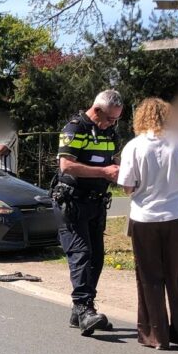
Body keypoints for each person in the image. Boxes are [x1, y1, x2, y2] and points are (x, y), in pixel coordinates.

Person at [117, 98, 178, 350]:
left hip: (145, 217)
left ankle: (155, 335)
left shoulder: (133, 146)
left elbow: (127, 186)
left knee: (149, 277)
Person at [52, 89, 123, 336]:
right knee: (81, 253)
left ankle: (82, 310)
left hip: (96, 203)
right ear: (97, 110)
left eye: (116, 119)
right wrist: (103, 172)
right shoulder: (75, 128)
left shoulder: (110, 132)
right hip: (72, 201)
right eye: (110, 118)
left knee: (96, 258)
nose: (113, 123)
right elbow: (66, 166)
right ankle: (84, 309)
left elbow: (115, 160)